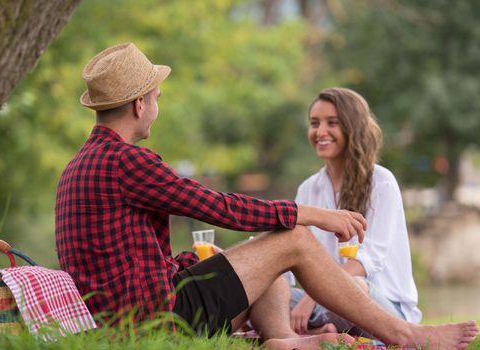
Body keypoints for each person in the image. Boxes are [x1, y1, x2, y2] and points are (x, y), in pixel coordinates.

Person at [55, 43, 478, 350]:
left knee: (270, 251)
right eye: (156, 98)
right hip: (158, 322)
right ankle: (408, 336)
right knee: (291, 239)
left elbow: (127, 264)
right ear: (138, 105)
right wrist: (311, 216)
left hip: (127, 319)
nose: (156, 107)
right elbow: (219, 207)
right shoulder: (127, 162)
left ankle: (284, 341)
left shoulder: (76, 168)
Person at [289, 87, 422, 337]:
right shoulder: (308, 189)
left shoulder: (381, 182)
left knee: (355, 288)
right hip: (324, 304)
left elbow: (368, 259)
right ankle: (321, 332)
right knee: (268, 297)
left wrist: (310, 298)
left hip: (383, 309)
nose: (320, 132)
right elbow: (287, 255)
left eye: (332, 123)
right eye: (314, 123)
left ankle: (314, 332)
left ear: (352, 127)